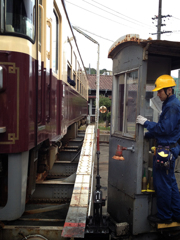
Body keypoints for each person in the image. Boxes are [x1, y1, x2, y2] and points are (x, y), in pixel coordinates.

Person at [136, 74, 180, 223]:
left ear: (169, 90)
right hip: (169, 148)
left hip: (166, 150)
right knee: (171, 184)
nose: (158, 94)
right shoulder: (170, 104)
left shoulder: (172, 106)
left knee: (163, 185)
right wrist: (149, 134)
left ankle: (165, 217)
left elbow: (164, 129)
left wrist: (147, 123)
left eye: (160, 91)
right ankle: (177, 214)